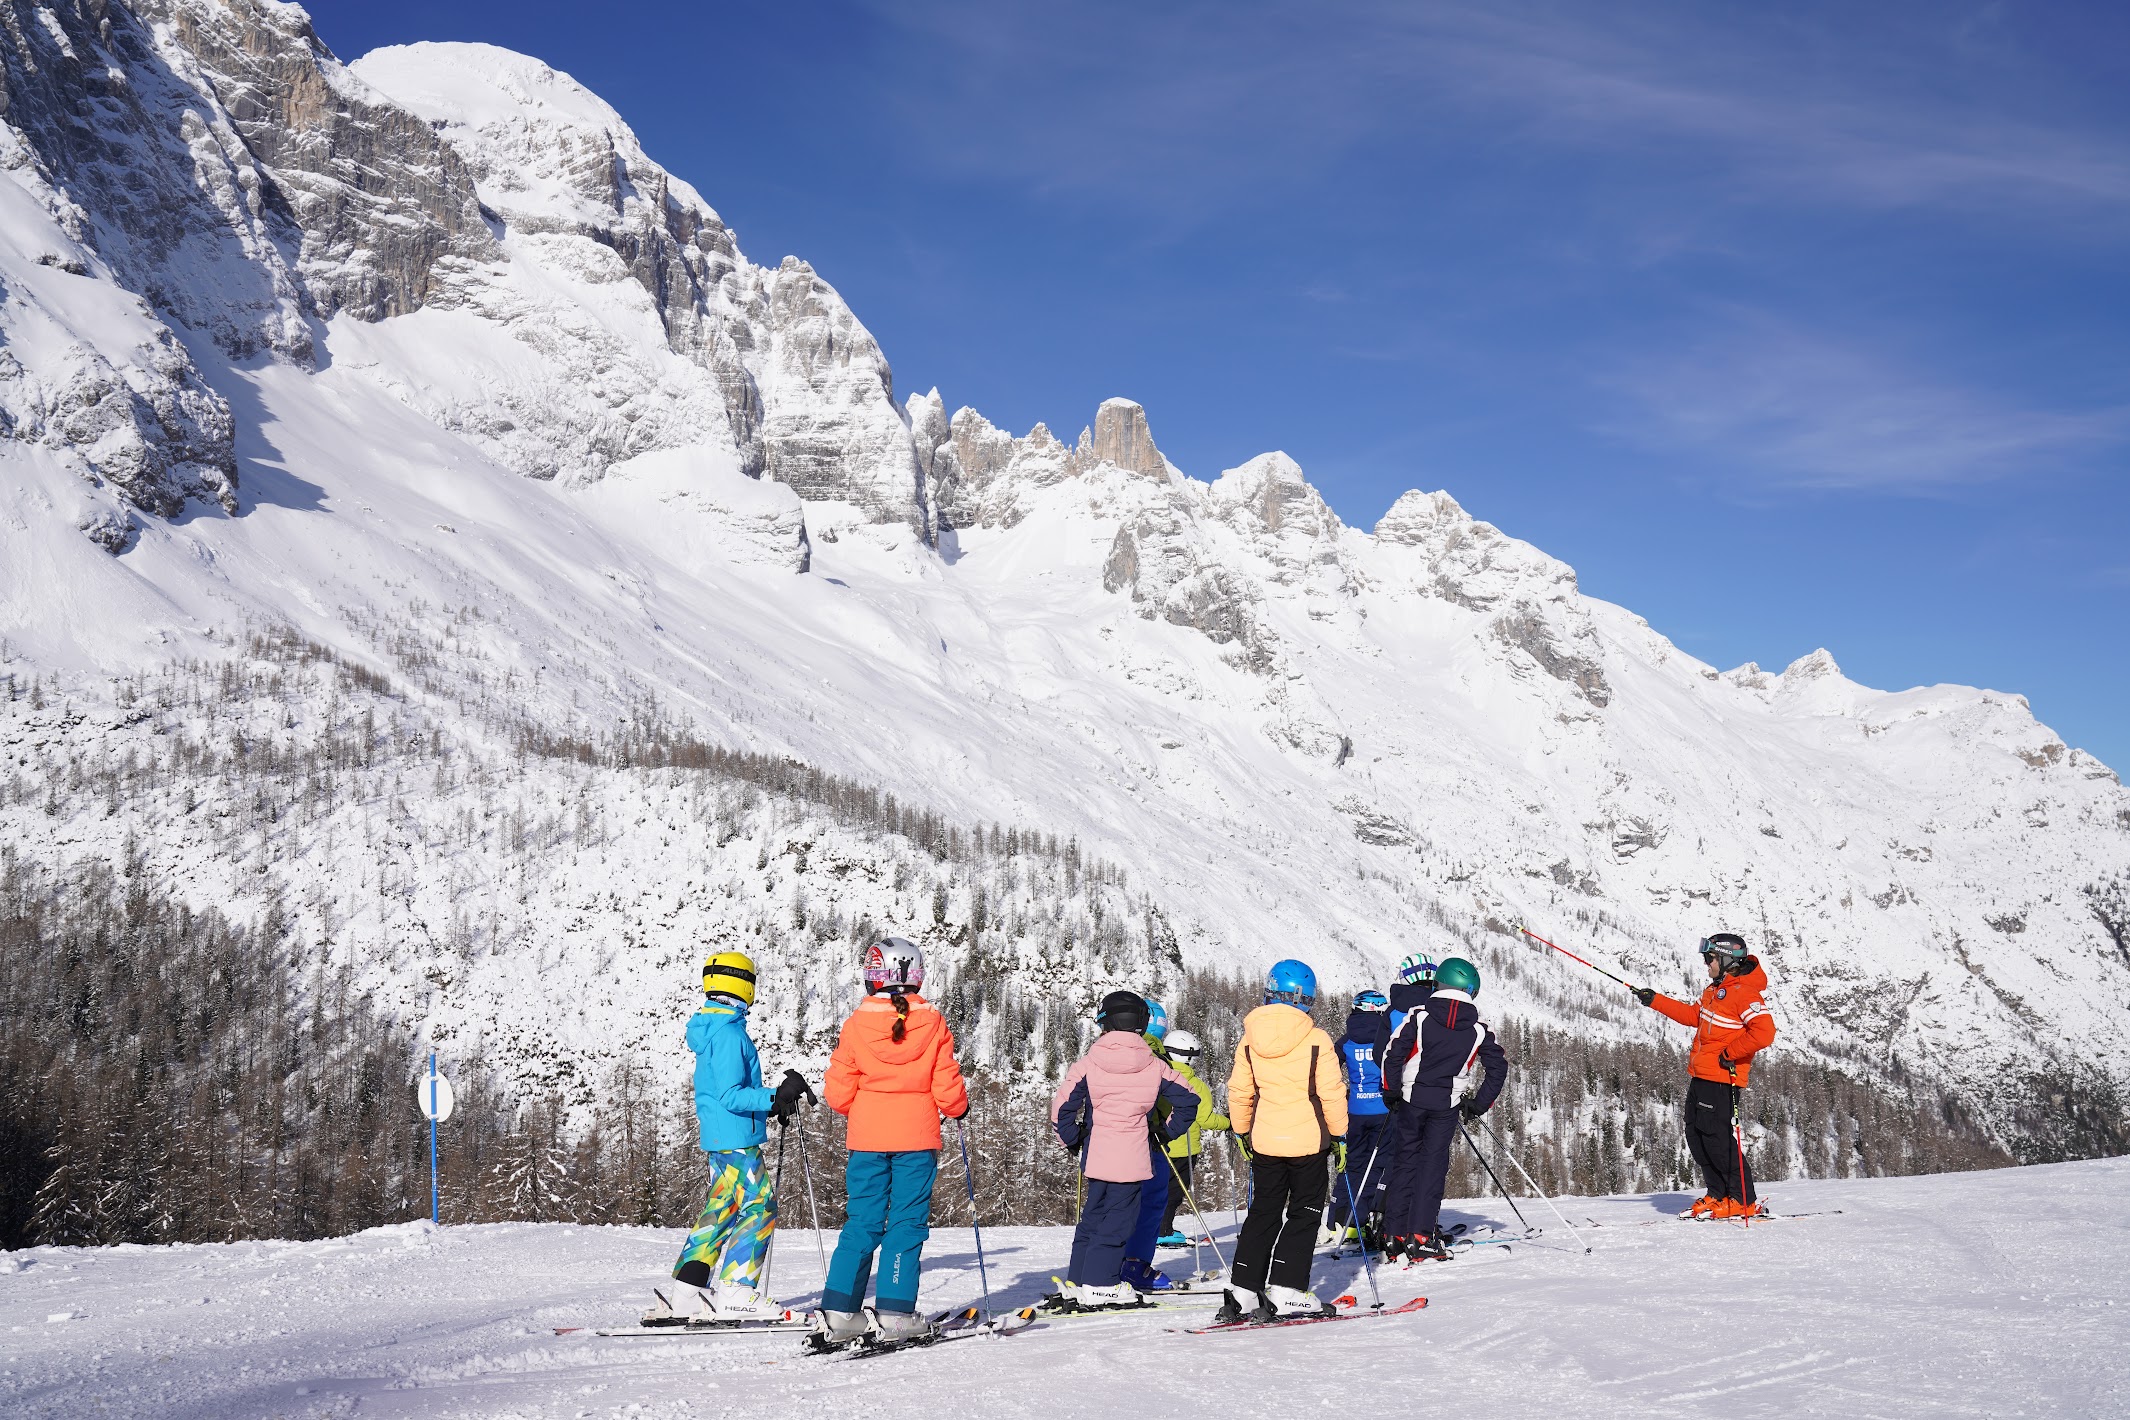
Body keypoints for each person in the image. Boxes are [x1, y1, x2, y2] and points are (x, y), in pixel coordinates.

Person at [815, 938, 969, 1344]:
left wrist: (867, 1110)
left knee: (862, 1221)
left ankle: (840, 1310)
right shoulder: (933, 1023)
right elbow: (947, 1083)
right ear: (916, 976)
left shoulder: (855, 1025)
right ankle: (895, 1311)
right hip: (916, 1137)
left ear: (872, 978)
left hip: (867, 1136)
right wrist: (956, 1108)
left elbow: (838, 1092)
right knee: (906, 1222)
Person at [646, 950, 812, 1324]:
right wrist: (774, 1096)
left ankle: (687, 1294)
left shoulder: (711, 1026)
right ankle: (736, 1292)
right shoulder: (728, 1033)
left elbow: (727, 1091)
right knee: (760, 1205)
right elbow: (731, 1094)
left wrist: (772, 1104)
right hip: (735, 1137)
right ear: (744, 984)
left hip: (722, 1135)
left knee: (721, 1209)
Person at [1218, 959, 1349, 1323]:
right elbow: (1332, 1093)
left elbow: (1240, 1090)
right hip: (1308, 1141)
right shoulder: (1316, 1039)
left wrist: (1242, 1129)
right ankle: (1287, 1289)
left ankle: (1243, 1291)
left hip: (1265, 1140)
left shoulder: (1250, 1038)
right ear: (1307, 999)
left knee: (1263, 1212)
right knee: (1304, 1213)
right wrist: (1339, 1134)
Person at [1051, 991, 1201, 1307]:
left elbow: (1061, 1110)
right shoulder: (1154, 1064)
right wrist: (1162, 1133)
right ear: (1142, 1023)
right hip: (1133, 1155)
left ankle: (1078, 1280)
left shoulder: (1089, 1063)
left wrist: (1074, 1140)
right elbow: (1189, 1101)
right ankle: (1101, 1284)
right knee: (1118, 1221)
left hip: (1097, 1153)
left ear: (1104, 1022)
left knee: (1093, 1217)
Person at [1633, 932, 1777, 1219]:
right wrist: (1654, 1000)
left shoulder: (1744, 992)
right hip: (1702, 1074)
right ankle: (1718, 1193)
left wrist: (1730, 1053)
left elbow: (1764, 1032)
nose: (1706, 964)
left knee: (1717, 1138)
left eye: (1710, 959)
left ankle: (1742, 1199)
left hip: (1723, 1077)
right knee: (1696, 1134)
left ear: (1726, 960)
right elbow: (1692, 1017)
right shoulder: (1716, 990)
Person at [1378, 956, 1505, 1262]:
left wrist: (1391, 1091)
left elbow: (1392, 1054)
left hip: (1411, 1099)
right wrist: (1479, 1104)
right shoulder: (1477, 1029)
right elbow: (1498, 1068)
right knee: (1431, 1169)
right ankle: (1421, 1235)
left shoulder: (1419, 1017)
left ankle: (1392, 1234)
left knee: (1404, 1162)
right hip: (1446, 1105)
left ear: (1439, 984)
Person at [1370, 953, 1437, 1244]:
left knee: (1401, 1159)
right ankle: (1421, 1228)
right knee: (1430, 1161)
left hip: (1402, 1094)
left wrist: (1393, 1086)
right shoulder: (1438, 1008)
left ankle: (1390, 1226)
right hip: (1435, 1093)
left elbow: (1379, 1054)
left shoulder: (1393, 1010)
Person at [1118, 998, 1181, 1291]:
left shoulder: (1108, 1049)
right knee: (1152, 1200)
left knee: (1112, 1203)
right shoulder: (1155, 1054)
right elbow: (1172, 1100)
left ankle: (1104, 1264)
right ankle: (1136, 1265)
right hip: (1147, 1138)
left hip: (1109, 1140)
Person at [1154, 1028, 1230, 1247]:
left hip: (1157, 1145)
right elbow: (1205, 1119)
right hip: (1184, 1149)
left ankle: (1151, 1229)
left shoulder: (1157, 1076)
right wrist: (1228, 1123)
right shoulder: (1196, 1085)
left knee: (1154, 1190)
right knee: (1174, 1193)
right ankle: (1163, 1231)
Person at [1328, 990, 1391, 1246]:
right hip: (1384, 1110)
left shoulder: (1346, 1040)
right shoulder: (1388, 1037)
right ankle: (1371, 1220)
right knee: (1380, 1166)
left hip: (1354, 1111)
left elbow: (1329, 1070)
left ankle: (1341, 1221)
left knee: (1352, 1165)